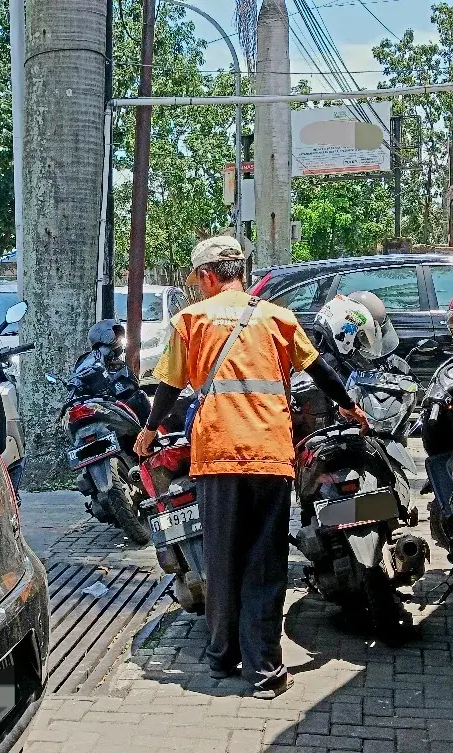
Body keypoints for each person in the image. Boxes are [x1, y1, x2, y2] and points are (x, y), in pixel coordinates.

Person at [133, 235, 368, 700]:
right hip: (269, 455)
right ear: (239, 270)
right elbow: (319, 370)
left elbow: (168, 385)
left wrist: (149, 429)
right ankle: (263, 671)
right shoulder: (278, 317)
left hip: (217, 457)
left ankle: (222, 657)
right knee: (264, 564)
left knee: (222, 561)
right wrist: (347, 406)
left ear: (205, 276)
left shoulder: (190, 321)